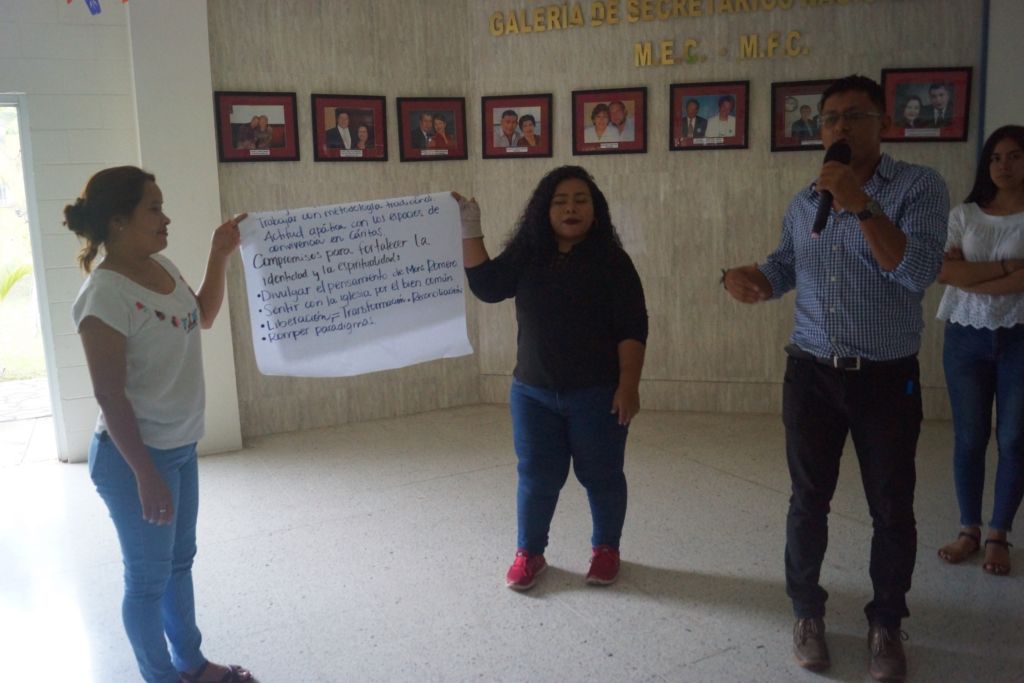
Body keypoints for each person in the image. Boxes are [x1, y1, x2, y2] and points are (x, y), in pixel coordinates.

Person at [722, 75, 948, 681]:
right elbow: (788, 263)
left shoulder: (920, 187)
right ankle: (806, 613)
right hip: (811, 374)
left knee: (892, 507)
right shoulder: (806, 200)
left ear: (884, 124)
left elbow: (916, 270)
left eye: (854, 115)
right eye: (828, 119)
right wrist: (755, 279)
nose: (839, 127)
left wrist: (859, 202)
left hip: (886, 379)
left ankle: (886, 623)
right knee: (807, 501)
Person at [64, 166, 254, 683]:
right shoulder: (104, 294)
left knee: (179, 562)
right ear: (119, 221)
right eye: (154, 208)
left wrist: (219, 253)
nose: (165, 218)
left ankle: (190, 664)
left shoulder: (161, 266)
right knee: (148, 580)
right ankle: (161, 677)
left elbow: (203, 315)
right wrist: (145, 474)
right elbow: (109, 394)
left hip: (179, 446)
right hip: (134, 459)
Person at [456, 165, 648, 592]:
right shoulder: (528, 254)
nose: (570, 209)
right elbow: (488, 286)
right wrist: (469, 225)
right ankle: (530, 553)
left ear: (595, 211)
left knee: (601, 475)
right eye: (560, 202)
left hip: (597, 395)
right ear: (544, 210)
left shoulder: (613, 262)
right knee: (536, 477)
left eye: (580, 200)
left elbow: (633, 328)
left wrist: (628, 386)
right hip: (532, 394)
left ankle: (606, 549)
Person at [935, 125, 1024, 577]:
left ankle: (998, 534)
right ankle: (968, 529)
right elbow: (945, 273)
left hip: (1020, 336)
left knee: (1014, 438)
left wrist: (973, 275)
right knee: (969, 436)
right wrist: (1010, 268)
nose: (1003, 166)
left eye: (1015, 156)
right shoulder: (964, 214)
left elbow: (963, 275)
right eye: (995, 157)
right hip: (965, 334)